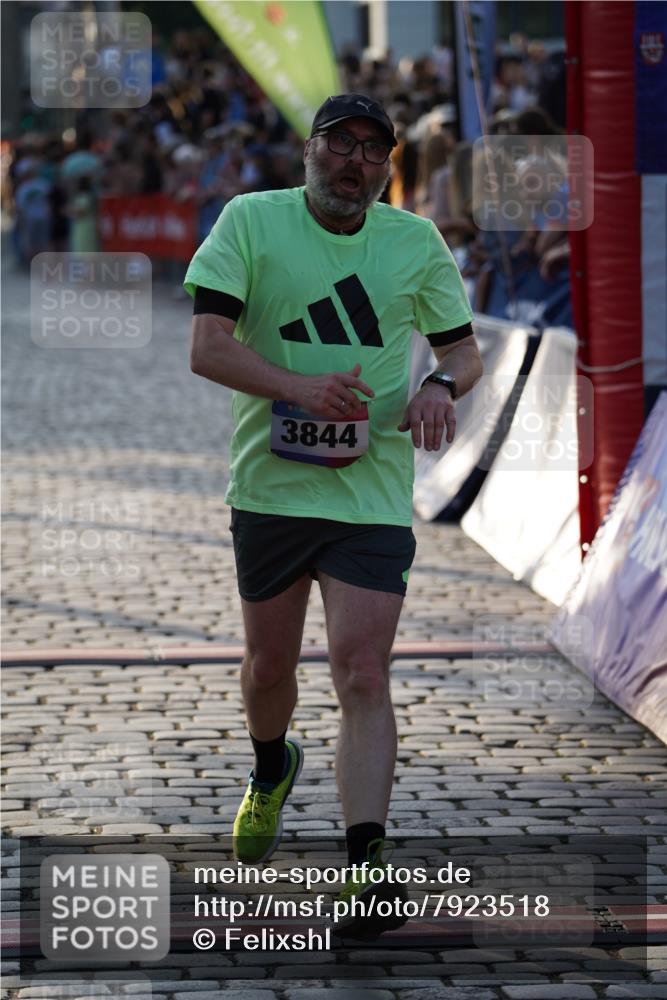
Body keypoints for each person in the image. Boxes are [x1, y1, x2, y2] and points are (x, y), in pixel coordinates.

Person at [184, 93, 482, 938]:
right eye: (339, 144)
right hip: (272, 489)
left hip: (369, 493)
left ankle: (366, 862)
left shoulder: (413, 241)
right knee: (268, 665)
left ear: (387, 167)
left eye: (371, 150)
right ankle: (272, 764)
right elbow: (206, 347)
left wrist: (436, 384)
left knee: (361, 671)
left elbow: (462, 350)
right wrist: (298, 388)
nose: (354, 161)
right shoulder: (250, 221)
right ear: (308, 151)